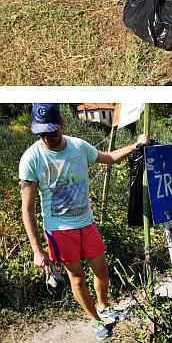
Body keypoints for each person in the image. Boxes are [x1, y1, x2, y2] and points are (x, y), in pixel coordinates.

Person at [20, 104, 146, 340]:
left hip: (86, 224)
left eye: (52, 132)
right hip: (59, 232)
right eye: (42, 134)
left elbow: (108, 158)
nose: (48, 138)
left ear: (62, 125)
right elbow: (27, 208)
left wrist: (136, 145)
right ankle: (96, 321)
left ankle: (104, 307)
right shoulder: (31, 158)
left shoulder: (78, 146)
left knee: (101, 270)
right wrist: (37, 251)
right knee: (77, 278)